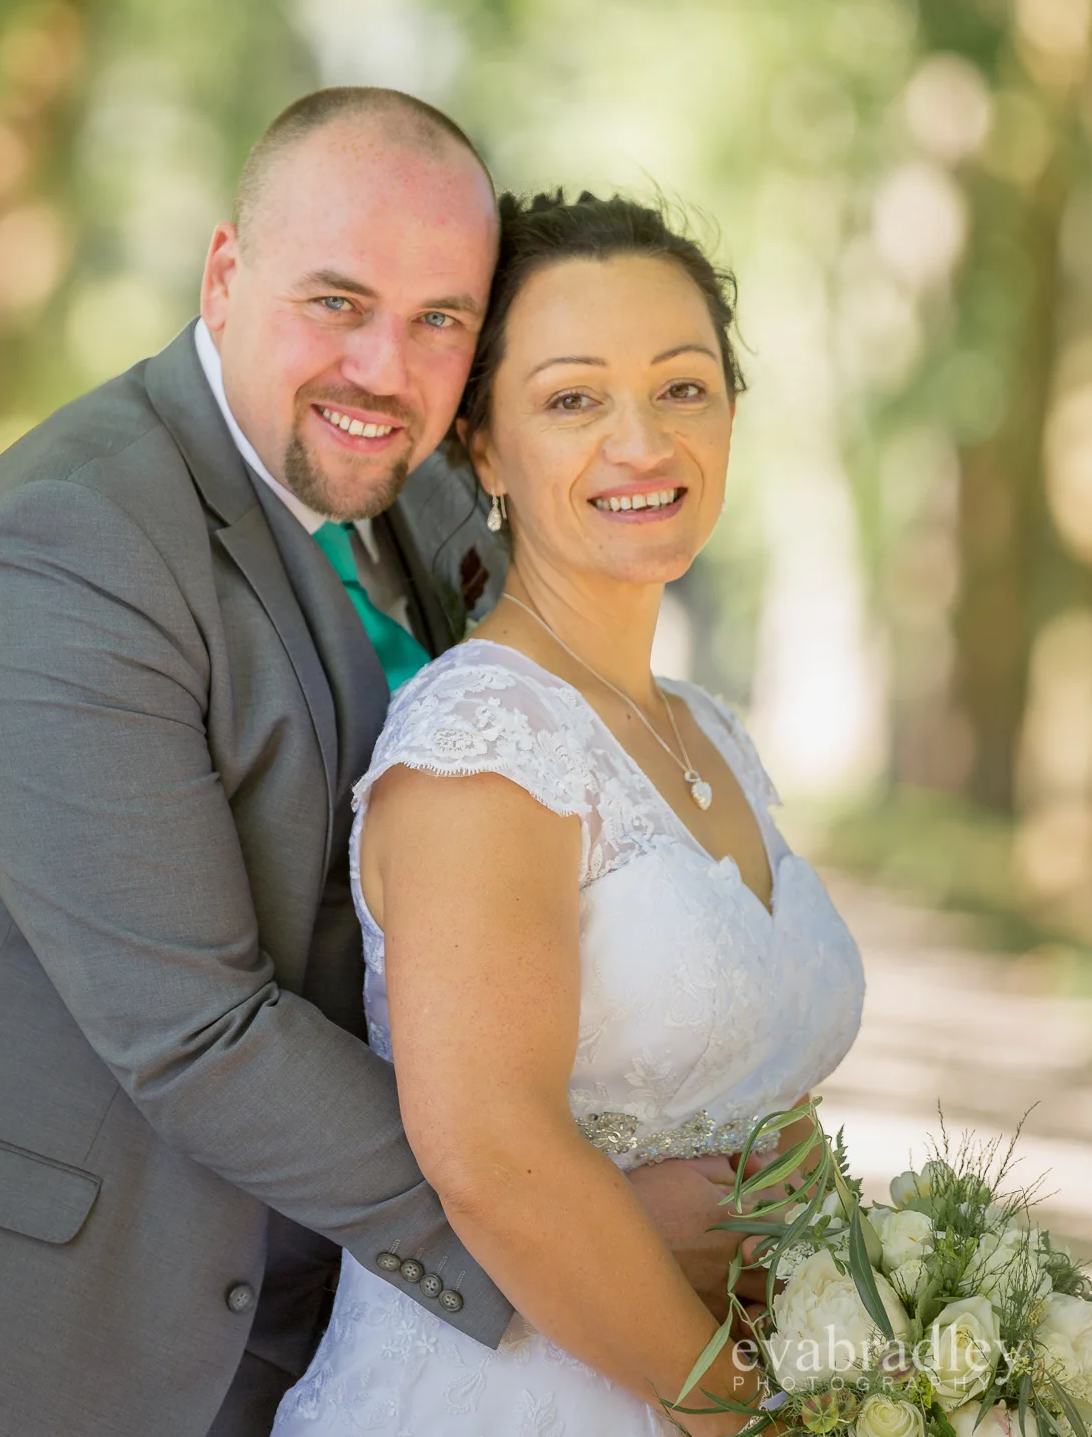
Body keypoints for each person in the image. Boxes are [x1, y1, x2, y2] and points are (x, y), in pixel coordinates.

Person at [0, 95, 747, 1437]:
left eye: (442, 319)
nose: (387, 370)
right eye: (338, 302)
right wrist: (577, 1225)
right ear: (223, 274)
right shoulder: (69, 546)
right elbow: (197, 1031)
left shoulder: (429, 497)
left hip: (305, 1356)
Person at [274, 188, 866, 1435]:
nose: (643, 442)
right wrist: (736, 1413)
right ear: (483, 447)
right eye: (573, 397)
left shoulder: (711, 730)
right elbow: (491, 1157)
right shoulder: (484, 748)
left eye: (683, 386)